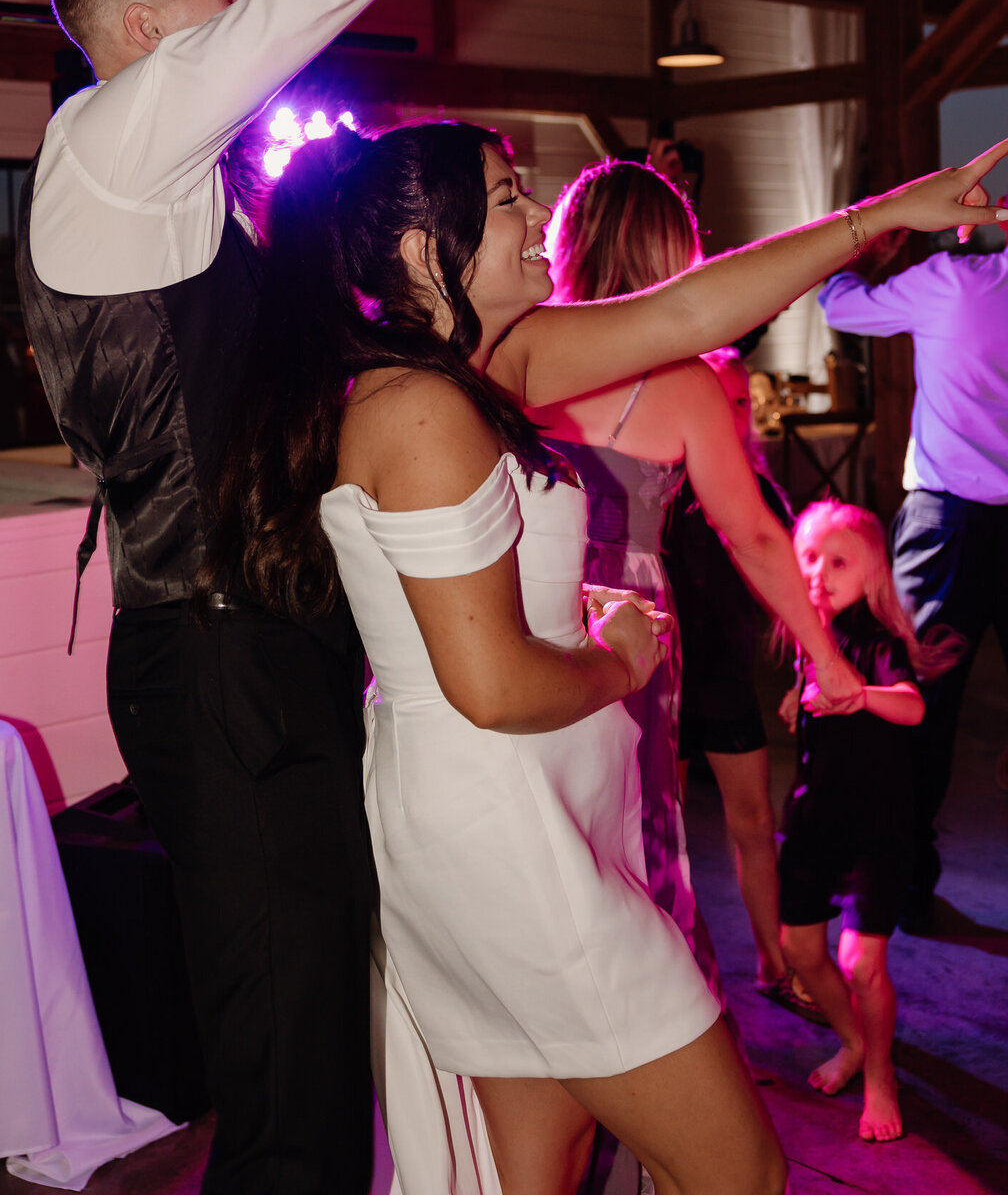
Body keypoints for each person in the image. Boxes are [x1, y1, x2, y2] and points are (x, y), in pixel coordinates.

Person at [14, 0, 635, 1195]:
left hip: (260, 655)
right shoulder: (111, 146)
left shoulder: (174, 189)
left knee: (315, 1057)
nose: (255, 4)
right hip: (218, 664)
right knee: (289, 1083)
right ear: (152, 34)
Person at [201, 118, 1006, 1195]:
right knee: (736, 1170)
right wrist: (622, 660)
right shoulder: (423, 406)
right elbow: (489, 686)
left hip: (531, 810)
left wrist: (881, 218)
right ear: (414, 252)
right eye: (505, 200)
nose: (540, 217)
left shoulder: (482, 363)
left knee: (544, 1164)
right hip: (505, 836)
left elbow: (690, 308)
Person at [536, 161, 861, 1003]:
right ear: (671, 258)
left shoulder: (515, 351)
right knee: (633, 836)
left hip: (523, 606)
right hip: (630, 625)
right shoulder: (682, 384)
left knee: (546, 829)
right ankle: (654, 1041)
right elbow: (752, 535)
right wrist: (826, 655)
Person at [818, 230, 1008, 929]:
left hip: (948, 522)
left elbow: (841, 307)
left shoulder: (952, 283)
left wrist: (867, 256)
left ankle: (898, 884)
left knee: (916, 702)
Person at [776, 502, 963, 1142]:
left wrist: (856, 693)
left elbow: (910, 708)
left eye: (838, 561)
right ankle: (855, 1041)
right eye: (808, 558)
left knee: (862, 963)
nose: (818, 573)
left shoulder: (873, 642)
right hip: (813, 825)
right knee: (799, 950)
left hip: (877, 831)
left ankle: (880, 1074)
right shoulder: (809, 638)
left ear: (873, 572)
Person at [663, 349, 820, 1018]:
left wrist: (814, 661)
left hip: (724, 683)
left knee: (754, 823)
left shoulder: (756, 488)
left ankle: (772, 961)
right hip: (658, 682)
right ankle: (669, 971)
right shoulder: (657, 482)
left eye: (738, 402)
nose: (730, 414)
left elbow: (799, 579)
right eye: (717, 399)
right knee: (660, 834)